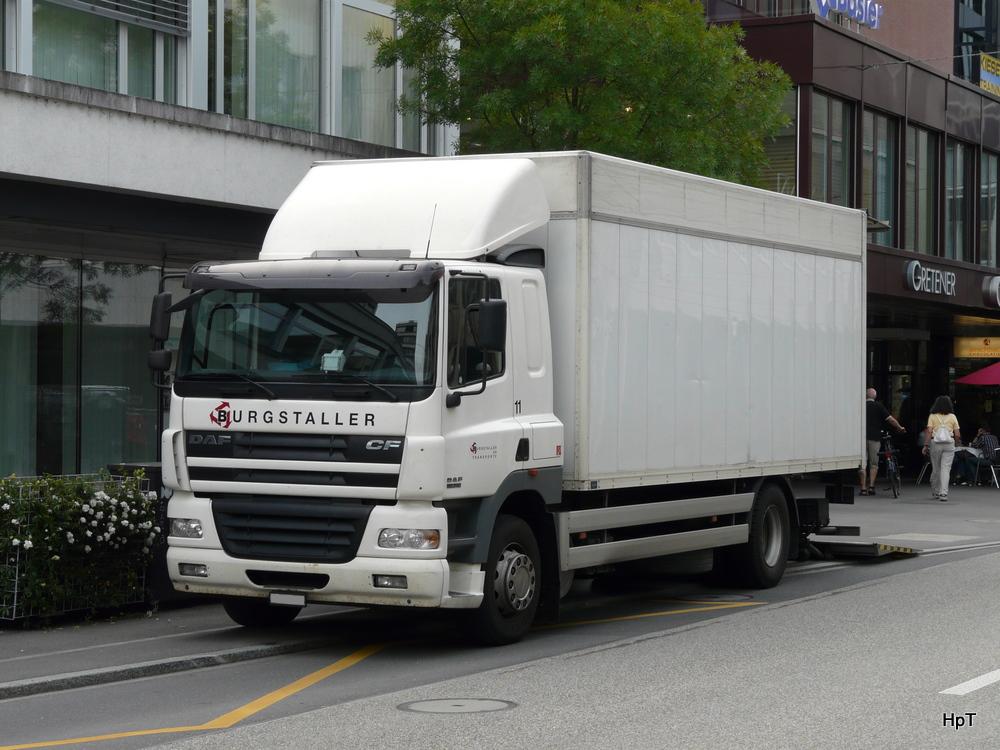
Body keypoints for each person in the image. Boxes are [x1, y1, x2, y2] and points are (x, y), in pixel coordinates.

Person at [860, 388, 905, 496]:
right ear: (875, 396)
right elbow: (891, 420)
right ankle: (871, 486)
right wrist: (899, 427)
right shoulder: (878, 406)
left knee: (862, 464)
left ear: (865, 396)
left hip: (861, 438)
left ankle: (863, 488)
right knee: (874, 463)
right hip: (875, 438)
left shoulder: (860, 405)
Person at [923, 395, 961, 501]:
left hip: (935, 443)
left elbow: (929, 431)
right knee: (946, 469)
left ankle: (935, 491)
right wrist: (957, 444)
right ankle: (943, 493)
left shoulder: (932, 416)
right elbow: (957, 434)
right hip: (949, 444)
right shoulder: (953, 416)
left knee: (936, 468)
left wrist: (926, 445)